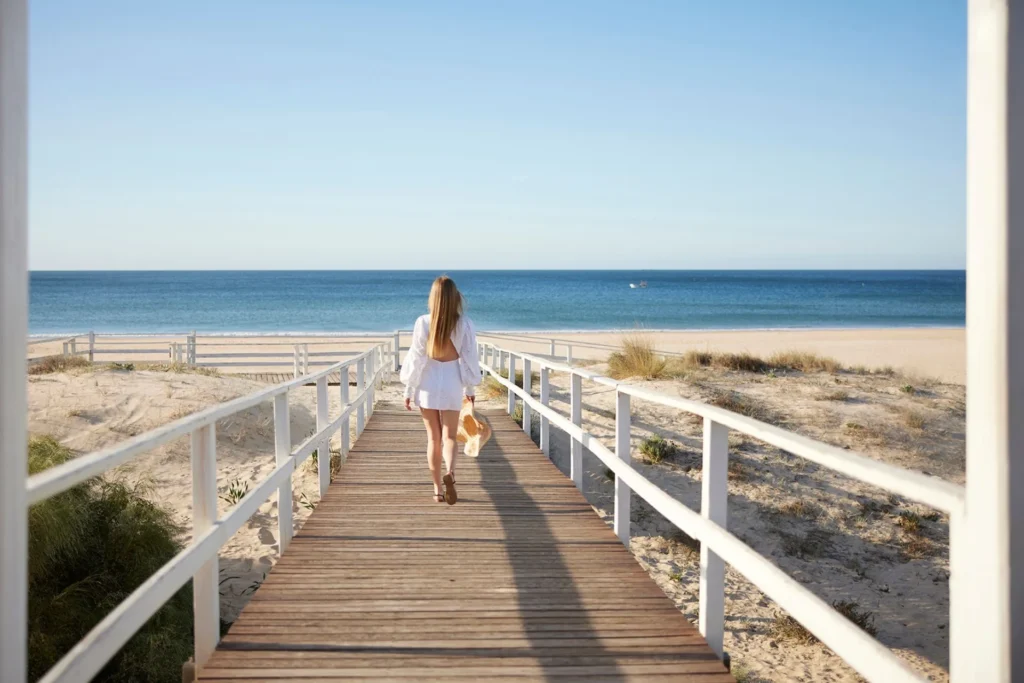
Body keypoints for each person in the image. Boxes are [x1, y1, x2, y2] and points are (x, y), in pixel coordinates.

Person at [400, 275, 481, 504]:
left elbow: (417, 358)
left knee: (433, 439)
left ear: (433, 298)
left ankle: (437, 490)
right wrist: (470, 387)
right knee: (450, 436)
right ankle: (451, 473)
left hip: (427, 383)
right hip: (452, 382)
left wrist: (409, 390)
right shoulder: (464, 324)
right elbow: (469, 358)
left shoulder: (423, 322)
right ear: (455, 297)